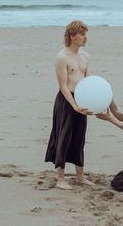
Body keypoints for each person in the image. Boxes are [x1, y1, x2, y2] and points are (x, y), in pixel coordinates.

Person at [45, 21, 95, 190]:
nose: (85, 37)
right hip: (66, 102)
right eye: (82, 34)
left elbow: (88, 81)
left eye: (85, 33)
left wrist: (92, 101)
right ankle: (61, 179)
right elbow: (63, 86)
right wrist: (74, 106)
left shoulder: (85, 56)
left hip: (82, 100)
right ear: (72, 36)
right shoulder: (62, 57)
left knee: (80, 138)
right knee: (63, 138)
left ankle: (80, 177)